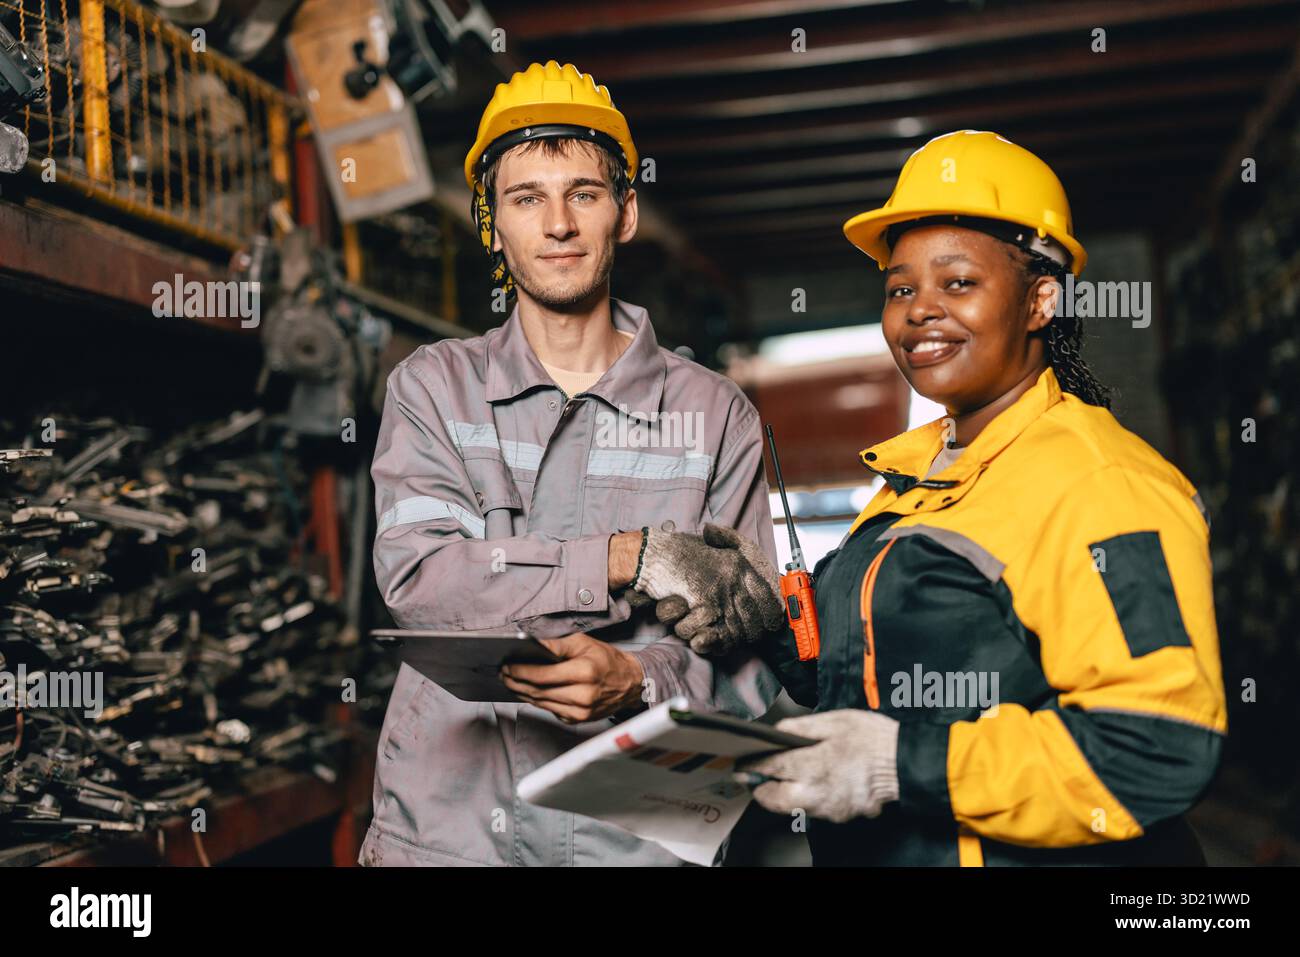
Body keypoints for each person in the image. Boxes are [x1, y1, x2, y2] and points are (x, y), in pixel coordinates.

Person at [741, 130, 1226, 866]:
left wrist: (899, 764)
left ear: (1040, 300)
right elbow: (856, 672)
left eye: (957, 282)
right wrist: (751, 611)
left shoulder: (1102, 484)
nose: (919, 311)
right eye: (901, 288)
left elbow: (1156, 745)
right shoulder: (919, 478)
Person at [360, 61, 782, 867]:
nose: (557, 224)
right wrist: (626, 558)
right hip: (450, 839)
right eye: (526, 198)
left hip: (635, 845)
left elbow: (750, 656)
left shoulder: (715, 414)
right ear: (491, 223)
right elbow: (422, 584)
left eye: (583, 193)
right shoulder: (434, 388)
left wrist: (641, 678)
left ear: (624, 214)